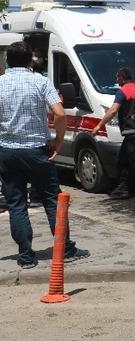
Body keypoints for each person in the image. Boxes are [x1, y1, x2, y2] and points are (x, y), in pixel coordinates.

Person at [0, 41, 89, 268]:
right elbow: (59, 113)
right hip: (36, 150)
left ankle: (26, 256)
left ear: (7, 61)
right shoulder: (40, 82)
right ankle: (65, 248)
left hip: (8, 152)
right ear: (31, 61)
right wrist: (58, 141)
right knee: (51, 199)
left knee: (16, 203)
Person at [92, 67, 135, 201]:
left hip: (132, 131)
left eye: (117, 78)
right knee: (123, 159)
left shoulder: (122, 92)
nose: (116, 80)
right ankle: (125, 187)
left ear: (122, 78)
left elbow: (113, 110)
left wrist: (100, 125)